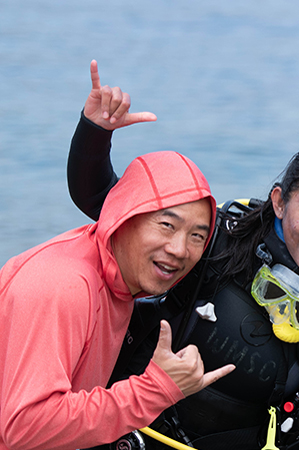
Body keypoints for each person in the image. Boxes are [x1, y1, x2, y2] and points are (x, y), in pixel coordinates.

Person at [67, 61, 299, 449]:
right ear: (280, 202)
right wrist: (95, 132)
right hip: (129, 435)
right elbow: (100, 200)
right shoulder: (216, 242)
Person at [0, 76, 234, 448]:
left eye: (196, 235)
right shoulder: (62, 285)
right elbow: (23, 427)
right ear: (123, 216)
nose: (179, 248)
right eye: (166, 225)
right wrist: (155, 390)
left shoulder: (121, 282)